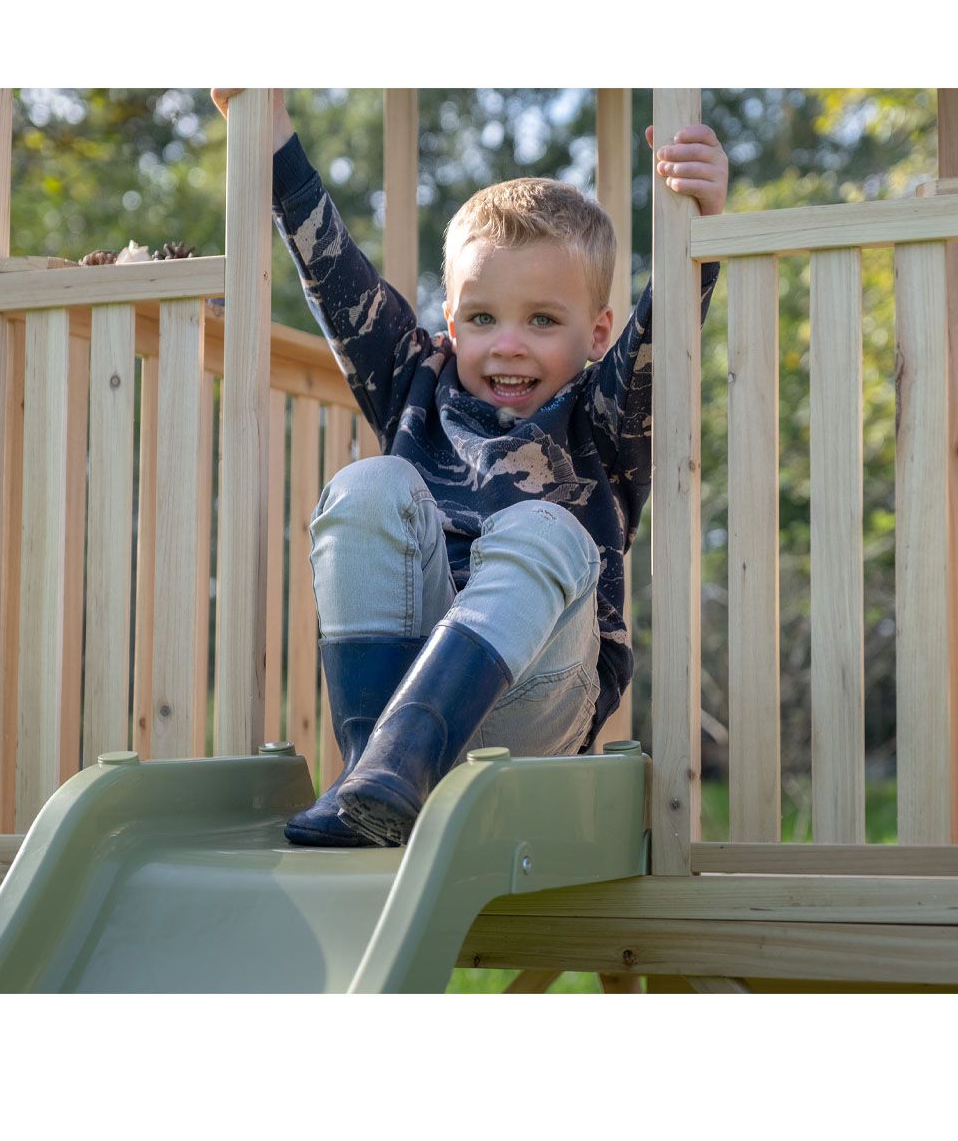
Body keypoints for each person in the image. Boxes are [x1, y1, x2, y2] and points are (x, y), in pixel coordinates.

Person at [210, 89, 728, 848]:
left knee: (547, 526)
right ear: (450, 324)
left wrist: (702, 230)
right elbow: (331, 270)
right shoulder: (416, 382)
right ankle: (377, 781)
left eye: (543, 320)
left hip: (536, 705)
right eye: (483, 318)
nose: (508, 344)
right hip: (401, 686)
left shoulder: (604, 415)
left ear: (598, 332)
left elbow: (667, 328)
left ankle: (397, 768)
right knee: (368, 483)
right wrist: (267, 124)